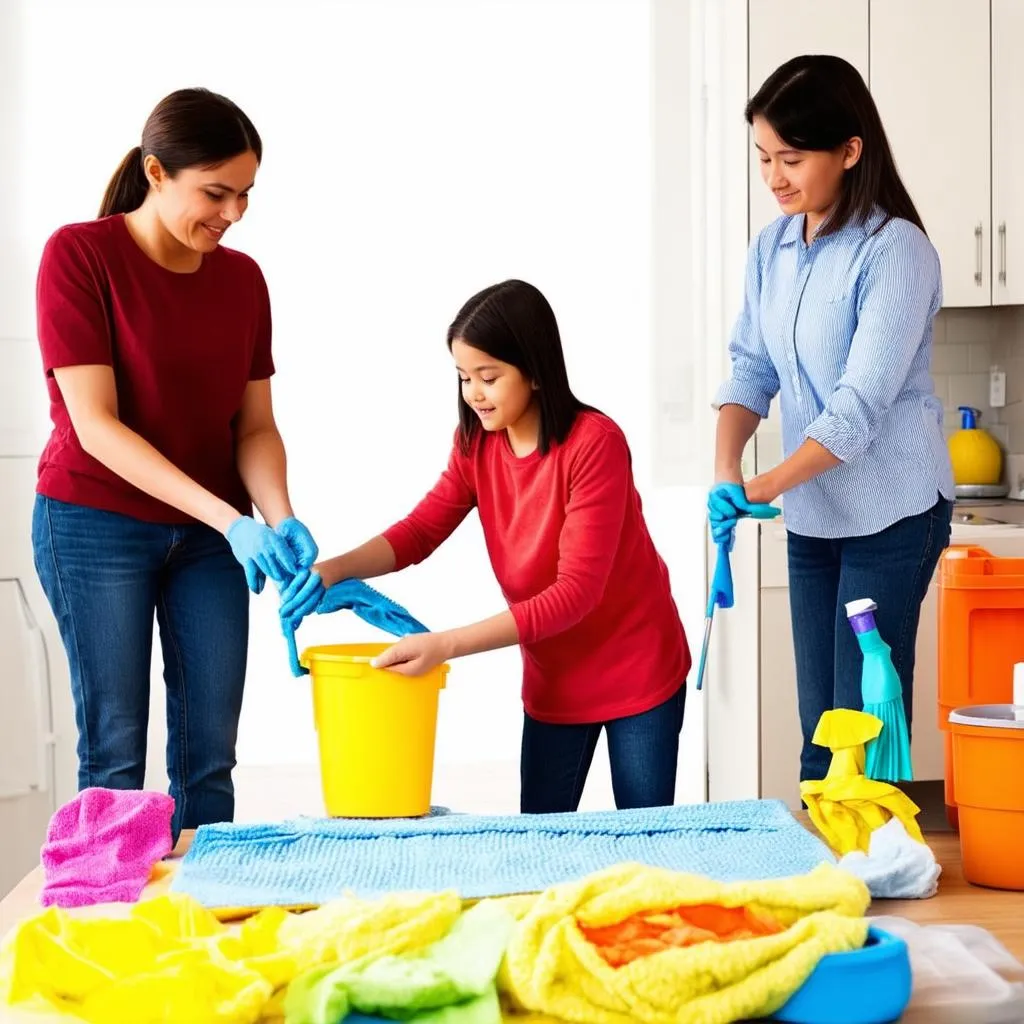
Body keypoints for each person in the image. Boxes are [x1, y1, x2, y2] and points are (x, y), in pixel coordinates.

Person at [280, 279, 690, 813]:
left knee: (646, 841)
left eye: (489, 377)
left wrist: (444, 646)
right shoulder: (475, 443)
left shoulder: (594, 445)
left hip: (637, 667)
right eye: (463, 376)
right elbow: (420, 531)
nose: (473, 393)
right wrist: (332, 570)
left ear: (536, 371)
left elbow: (576, 594)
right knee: (539, 844)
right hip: (556, 680)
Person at [32, 88, 318, 839]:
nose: (233, 213)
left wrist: (280, 520)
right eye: (215, 192)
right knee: (115, 753)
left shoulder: (242, 280)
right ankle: (114, 932)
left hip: (210, 542)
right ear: (157, 173)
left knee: (208, 756)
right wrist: (233, 520)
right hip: (95, 525)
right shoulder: (79, 255)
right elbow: (96, 427)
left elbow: (255, 429)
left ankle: (204, 919)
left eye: (246, 194)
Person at [709, 55, 954, 783]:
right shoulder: (773, 249)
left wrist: (766, 484)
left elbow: (856, 410)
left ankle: (881, 881)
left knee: (860, 730)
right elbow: (751, 369)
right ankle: (833, 889)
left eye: (792, 157)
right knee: (818, 731)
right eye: (763, 157)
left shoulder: (896, 251)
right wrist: (728, 470)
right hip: (815, 517)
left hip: (892, 515)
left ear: (850, 151)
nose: (775, 177)